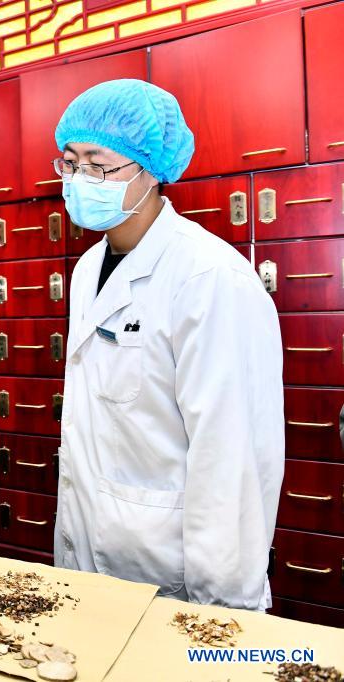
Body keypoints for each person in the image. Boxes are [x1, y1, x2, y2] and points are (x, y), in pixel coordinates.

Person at [49, 79, 283, 610]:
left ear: (151, 168)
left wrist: (225, 613)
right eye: (70, 162)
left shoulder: (209, 279)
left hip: (173, 573)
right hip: (89, 554)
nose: (81, 179)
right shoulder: (89, 269)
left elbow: (233, 459)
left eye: (98, 165)